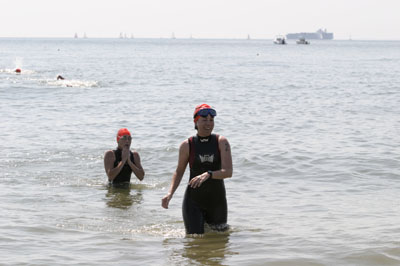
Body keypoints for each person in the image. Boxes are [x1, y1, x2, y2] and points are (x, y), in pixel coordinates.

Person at [162, 104, 233, 235]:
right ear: (196, 122)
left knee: (220, 243)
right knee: (194, 243)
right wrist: (170, 193)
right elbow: (179, 171)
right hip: (193, 201)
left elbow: (228, 172)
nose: (209, 123)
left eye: (211, 120)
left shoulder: (221, 142)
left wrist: (209, 174)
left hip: (217, 202)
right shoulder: (187, 145)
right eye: (204, 120)